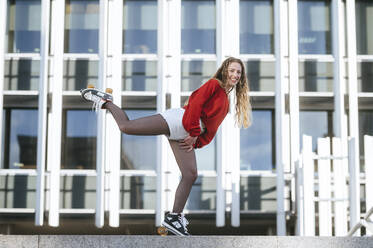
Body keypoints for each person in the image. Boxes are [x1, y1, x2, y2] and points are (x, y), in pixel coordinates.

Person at [80, 57, 252, 236]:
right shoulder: (214, 85)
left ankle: (174, 217)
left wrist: (196, 140)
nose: (235, 74)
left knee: (190, 174)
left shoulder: (225, 99)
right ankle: (107, 102)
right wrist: (193, 133)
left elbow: (211, 127)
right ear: (225, 70)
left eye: (238, 72)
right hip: (179, 121)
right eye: (232, 70)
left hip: (186, 132)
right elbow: (195, 106)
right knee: (126, 127)